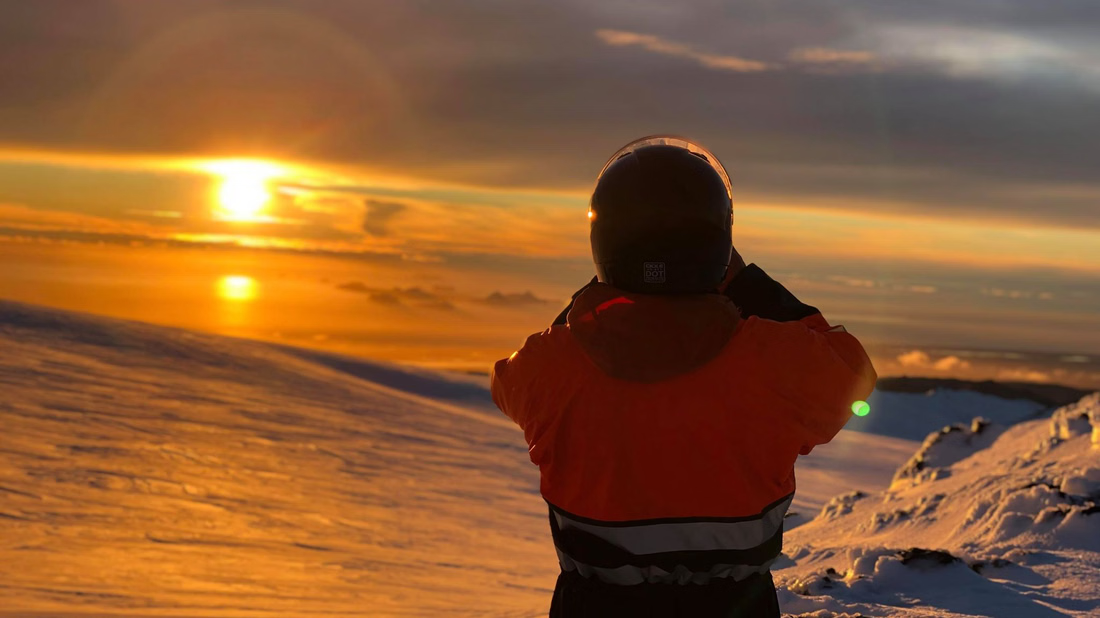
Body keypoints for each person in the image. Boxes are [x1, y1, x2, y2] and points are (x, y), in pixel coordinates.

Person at [491, 135, 877, 617]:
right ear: (718, 240)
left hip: (592, 606)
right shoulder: (774, 359)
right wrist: (749, 284)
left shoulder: (549, 365)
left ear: (603, 238)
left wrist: (597, 295)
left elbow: (508, 382)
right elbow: (854, 374)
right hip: (736, 607)